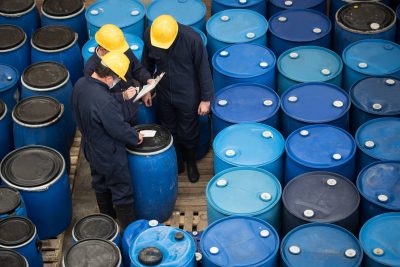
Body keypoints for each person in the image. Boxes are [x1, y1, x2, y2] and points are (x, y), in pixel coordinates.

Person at [72, 51, 143, 230]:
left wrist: (121, 97)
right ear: (109, 77)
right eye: (117, 78)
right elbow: (117, 128)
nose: (117, 82)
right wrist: (135, 137)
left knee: (100, 183)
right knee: (122, 191)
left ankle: (107, 221)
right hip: (109, 153)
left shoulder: (81, 84)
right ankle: (129, 232)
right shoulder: (104, 100)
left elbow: (97, 104)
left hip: (91, 146)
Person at [141, 15, 214, 183]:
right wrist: (146, 89)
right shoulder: (150, 35)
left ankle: (190, 163)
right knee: (168, 127)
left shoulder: (192, 39)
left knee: (188, 130)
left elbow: (204, 69)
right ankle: (177, 161)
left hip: (188, 92)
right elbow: (146, 64)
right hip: (164, 90)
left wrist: (206, 99)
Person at [84, 24, 154, 125]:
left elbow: (137, 69)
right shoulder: (91, 68)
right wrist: (122, 96)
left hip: (132, 106)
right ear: (103, 49)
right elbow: (97, 98)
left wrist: (146, 82)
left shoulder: (122, 50)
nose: (121, 55)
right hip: (113, 115)